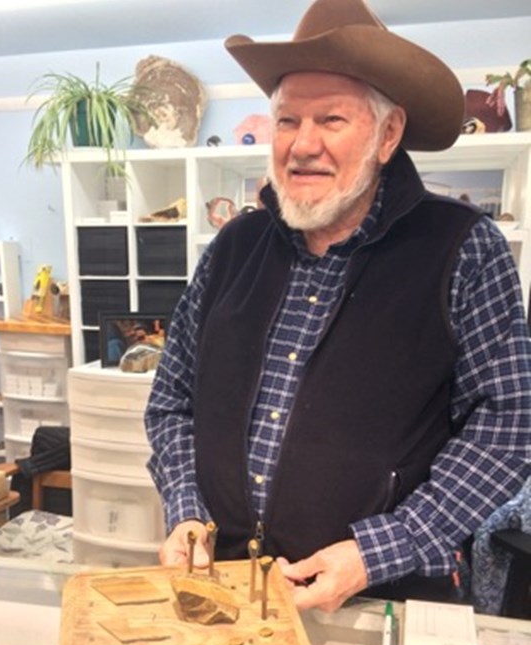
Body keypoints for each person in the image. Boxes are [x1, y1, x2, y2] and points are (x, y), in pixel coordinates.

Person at [144, 0, 531, 613]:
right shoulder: (232, 249)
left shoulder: (462, 248)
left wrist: (382, 548)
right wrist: (186, 509)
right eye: (288, 121)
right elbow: (171, 404)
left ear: (389, 134)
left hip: (382, 596)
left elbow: (508, 426)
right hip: (227, 591)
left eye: (330, 120)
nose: (302, 146)